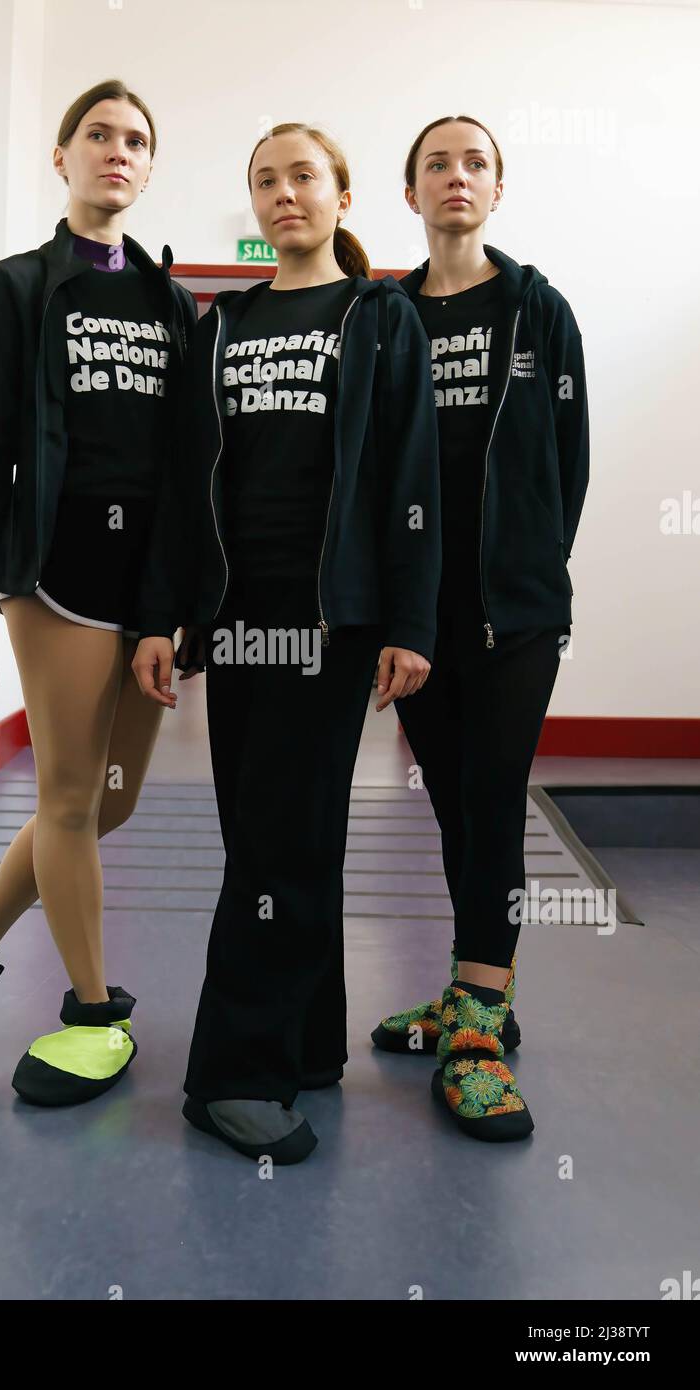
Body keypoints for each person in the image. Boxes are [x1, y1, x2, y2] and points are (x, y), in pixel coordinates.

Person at [134, 123, 441, 1163]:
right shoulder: (220, 326)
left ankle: (233, 1073)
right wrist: (160, 614)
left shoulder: (376, 316)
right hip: (238, 617)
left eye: (301, 176)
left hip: (329, 621)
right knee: (275, 834)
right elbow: (183, 486)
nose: (281, 195)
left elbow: (410, 477)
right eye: (263, 180)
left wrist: (408, 619)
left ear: (341, 195)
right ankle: (303, 1038)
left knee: (286, 838)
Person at [0, 79, 197, 1108]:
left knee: (105, 806)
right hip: (53, 577)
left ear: (150, 169)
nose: (117, 152)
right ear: (61, 158)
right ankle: (91, 1010)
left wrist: (175, 601)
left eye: (135, 141)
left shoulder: (174, 304)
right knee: (66, 795)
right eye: (98, 135)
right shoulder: (16, 286)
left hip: (144, 585)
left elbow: (186, 464)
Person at [371, 115, 590, 1142]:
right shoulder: (386, 316)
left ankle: (474, 1029)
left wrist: (529, 568)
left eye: (473, 163)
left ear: (494, 189)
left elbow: (566, 460)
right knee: (453, 806)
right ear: (408, 192)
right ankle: (472, 990)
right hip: (418, 617)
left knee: (493, 797)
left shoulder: (536, 310)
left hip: (513, 611)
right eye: (435, 164)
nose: (454, 177)